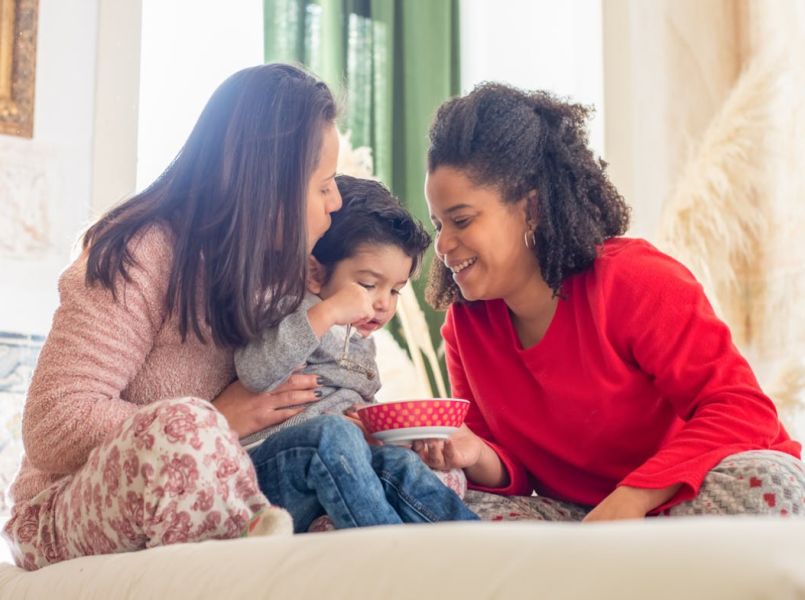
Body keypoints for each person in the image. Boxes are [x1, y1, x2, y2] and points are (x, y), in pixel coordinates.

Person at [2, 63, 343, 570]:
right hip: (65, 506)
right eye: (324, 186)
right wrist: (217, 424)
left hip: (228, 492)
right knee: (185, 426)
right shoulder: (141, 251)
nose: (336, 202)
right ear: (269, 187)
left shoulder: (292, 279)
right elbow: (55, 419)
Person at [415, 82, 805, 521]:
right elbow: (512, 473)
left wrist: (633, 499)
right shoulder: (466, 326)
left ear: (532, 208)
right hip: (584, 518)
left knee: (770, 481)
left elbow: (741, 409)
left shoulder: (635, 281)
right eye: (438, 224)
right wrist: (475, 452)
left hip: (683, 498)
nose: (443, 244)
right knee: (452, 507)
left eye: (461, 220)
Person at [236, 175, 479, 532]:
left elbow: (355, 405)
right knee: (334, 435)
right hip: (271, 470)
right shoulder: (290, 307)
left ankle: (481, 550)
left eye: (395, 290)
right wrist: (327, 312)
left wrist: (380, 427)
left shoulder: (361, 336)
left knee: (401, 464)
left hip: (337, 467)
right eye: (368, 285)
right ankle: (387, 560)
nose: (382, 303)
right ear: (314, 273)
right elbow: (253, 372)